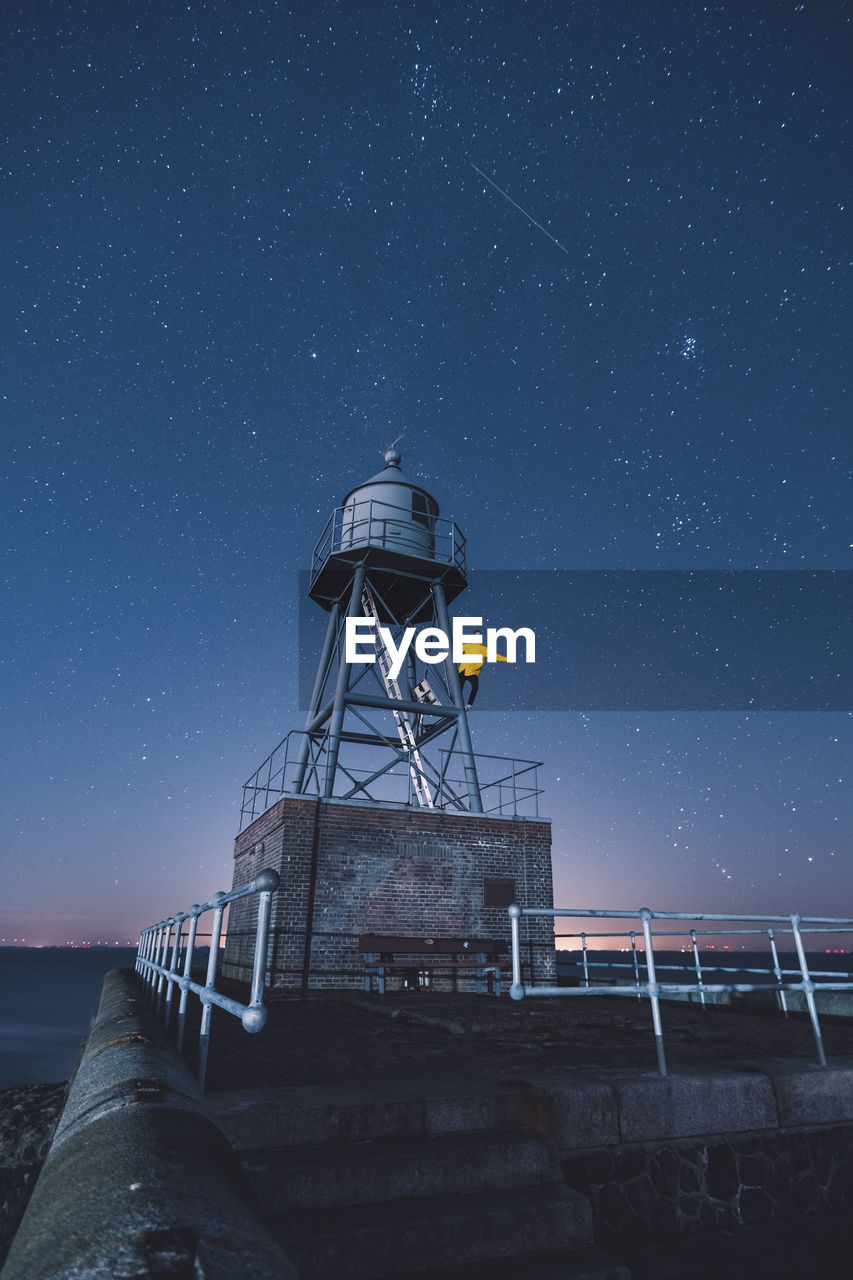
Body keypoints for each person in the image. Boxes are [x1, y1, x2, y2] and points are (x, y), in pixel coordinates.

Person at [457, 635, 507, 708]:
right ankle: (455, 703)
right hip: (463, 670)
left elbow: (495, 656)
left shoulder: (483, 649)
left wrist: (506, 659)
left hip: (473, 672)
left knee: (475, 687)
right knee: (458, 688)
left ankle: (469, 704)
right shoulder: (467, 646)